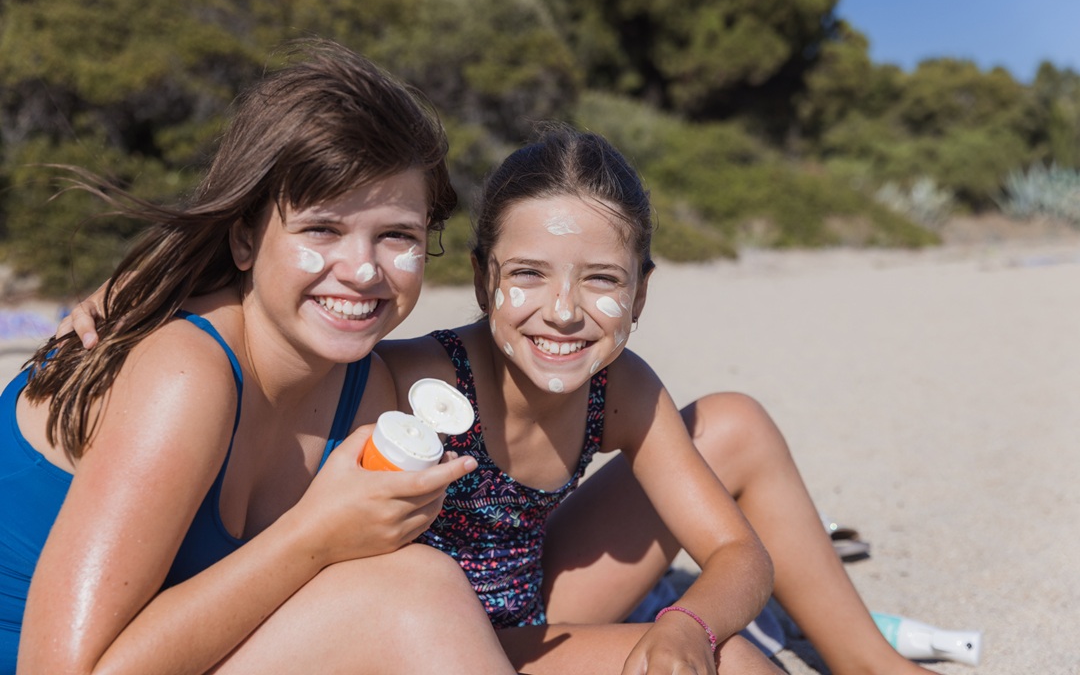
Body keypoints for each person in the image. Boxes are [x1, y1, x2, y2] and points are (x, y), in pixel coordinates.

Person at [61, 125, 942, 672]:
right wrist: (141, 296)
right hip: (421, 637)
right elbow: (286, 331)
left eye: (602, 280)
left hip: (536, 609)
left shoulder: (621, 388)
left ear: (642, 292)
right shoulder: (410, 378)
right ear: (484, 280)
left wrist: (688, 624)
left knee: (734, 432)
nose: (563, 311)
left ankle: (871, 663)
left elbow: (738, 556)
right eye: (528, 275)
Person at [0, 39, 520, 674]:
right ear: (244, 238)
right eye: (322, 229)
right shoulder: (183, 375)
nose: (363, 270)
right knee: (417, 591)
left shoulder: (366, 391)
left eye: (396, 235)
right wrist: (315, 537)